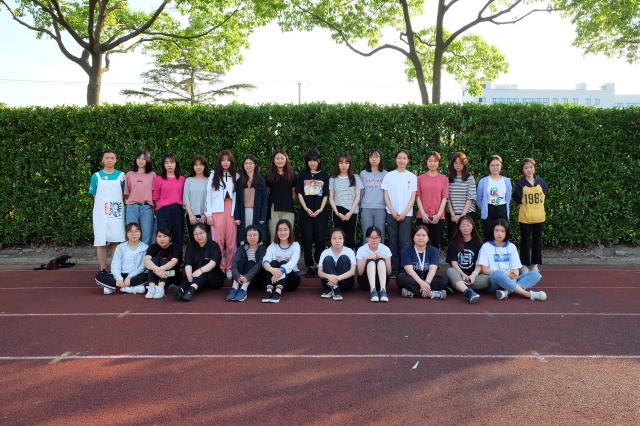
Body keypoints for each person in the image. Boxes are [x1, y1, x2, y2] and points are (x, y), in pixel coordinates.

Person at [478, 219, 546, 301]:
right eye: (497, 230)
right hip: (495, 281)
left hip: (511, 278)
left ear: (506, 232)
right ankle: (528, 294)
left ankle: (506, 292)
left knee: (536, 274)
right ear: (492, 231)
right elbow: (484, 270)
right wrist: (506, 275)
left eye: (502, 231)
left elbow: (515, 270)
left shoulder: (511, 247)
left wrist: (513, 279)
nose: (499, 233)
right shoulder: (486, 246)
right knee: (497, 273)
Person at [381, 149, 417, 276]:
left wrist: (404, 213)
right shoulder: (389, 176)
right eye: (399, 158)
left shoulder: (412, 177)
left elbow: (413, 198)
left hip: (406, 215)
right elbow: (386, 196)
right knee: (392, 241)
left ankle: (404, 269)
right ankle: (394, 269)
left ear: (408, 160)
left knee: (405, 242)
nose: (402, 160)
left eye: (404, 158)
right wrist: (392, 210)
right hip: (391, 214)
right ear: (396, 159)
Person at [89, 150, 126, 272]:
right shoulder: (96, 176)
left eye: (112, 158)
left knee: (116, 241)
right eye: (107, 158)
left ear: (116, 160)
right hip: (101, 212)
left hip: (116, 212)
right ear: (102, 160)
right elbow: (95, 195)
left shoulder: (121, 176)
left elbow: (124, 194)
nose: (110, 160)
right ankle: (103, 269)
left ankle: (115, 269)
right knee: (101, 241)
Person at [168, 223, 224, 302]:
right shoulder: (191, 246)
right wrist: (189, 275)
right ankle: (180, 290)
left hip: (213, 278)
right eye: (196, 234)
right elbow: (188, 263)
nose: (199, 236)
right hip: (196, 277)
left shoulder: (214, 246)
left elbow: (212, 264)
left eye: (201, 233)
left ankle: (191, 289)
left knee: (204, 272)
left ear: (206, 233)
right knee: (188, 273)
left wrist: (200, 270)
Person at [205, 149, 239, 278]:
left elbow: (239, 197)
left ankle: (229, 267)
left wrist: (238, 215)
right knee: (218, 241)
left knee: (231, 242)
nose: (225, 162)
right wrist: (208, 214)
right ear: (219, 162)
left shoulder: (236, 176)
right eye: (223, 160)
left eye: (228, 160)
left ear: (231, 162)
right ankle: (219, 267)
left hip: (231, 211)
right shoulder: (213, 175)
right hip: (217, 211)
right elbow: (208, 195)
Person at [296, 149, 329, 277]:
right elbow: (299, 193)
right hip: (306, 213)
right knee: (307, 238)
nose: (312, 163)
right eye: (310, 160)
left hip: (321, 212)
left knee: (320, 239)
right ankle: (309, 265)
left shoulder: (324, 175)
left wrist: (320, 209)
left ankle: (318, 265)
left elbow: (326, 194)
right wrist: (306, 209)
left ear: (319, 161)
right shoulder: (303, 175)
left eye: (314, 160)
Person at [514, 158, 549, 273]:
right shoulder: (520, 184)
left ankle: (535, 265)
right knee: (525, 242)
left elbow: (545, 194)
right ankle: (524, 264)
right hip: (525, 218)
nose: (529, 170)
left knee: (537, 242)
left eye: (531, 167)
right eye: (526, 168)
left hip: (539, 217)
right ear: (522, 170)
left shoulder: (541, 181)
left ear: (534, 168)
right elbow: (517, 199)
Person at [95, 223, 148, 295]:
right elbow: (115, 265)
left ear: (140, 233)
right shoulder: (120, 247)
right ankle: (129, 289)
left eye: (136, 231)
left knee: (148, 276)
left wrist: (129, 277)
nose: (134, 234)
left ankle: (114, 288)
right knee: (99, 276)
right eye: (130, 231)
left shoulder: (145, 248)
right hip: (121, 275)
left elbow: (142, 268)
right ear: (126, 233)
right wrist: (119, 278)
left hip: (135, 276)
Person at [397, 225, 448, 300]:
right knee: (400, 278)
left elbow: (433, 269)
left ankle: (413, 293)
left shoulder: (434, 250)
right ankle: (431, 294)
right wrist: (421, 283)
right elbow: (409, 270)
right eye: (418, 235)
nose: (420, 238)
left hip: (428, 279)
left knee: (444, 279)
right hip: (413, 278)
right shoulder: (407, 249)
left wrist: (426, 283)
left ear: (428, 238)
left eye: (424, 235)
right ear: (413, 237)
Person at [445, 215, 489, 303]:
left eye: (468, 225)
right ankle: (468, 292)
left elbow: (479, 264)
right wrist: (462, 274)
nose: (466, 228)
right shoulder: (453, 243)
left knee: (488, 280)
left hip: (473, 278)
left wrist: (473, 275)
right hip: (458, 274)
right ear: (459, 228)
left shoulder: (478, 244)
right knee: (450, 271)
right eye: (463, 225)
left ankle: (458, 286)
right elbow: (454, 263)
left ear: (472, 227)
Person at [153, 153, 185, 258]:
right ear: (163, 165)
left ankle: (178, 260)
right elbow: (155, 197)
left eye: (171, 162)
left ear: (176, 164)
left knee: (178, 236)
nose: (169, 165)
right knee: (163, 236)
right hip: (163, 211)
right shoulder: (158, 179)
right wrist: (159, 209)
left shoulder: (182, 179)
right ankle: (163, 259)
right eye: (166, 162)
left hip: (177, 210)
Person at [261, 219, 301, 303]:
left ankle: (278, 291)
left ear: (290, 231)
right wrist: (272, 270)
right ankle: (269, 290)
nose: (282, 232)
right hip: (274, 281)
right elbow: (265, 260)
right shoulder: (273, 245)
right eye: (280, 230)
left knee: (283, 262)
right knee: (273, 262)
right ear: (277, 232)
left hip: (291, 282)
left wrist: (280, 271)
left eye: (285, 229)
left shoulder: (295, 245)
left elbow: (293, 263)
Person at [329, 153, 362, 249]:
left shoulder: (355, 177)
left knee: (350, 237)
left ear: (350, 164)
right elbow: (331, 198)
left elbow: (358, 196)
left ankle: (350, 256)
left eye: (346, 163)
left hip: (352, 211)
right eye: (341, 162)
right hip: (338, 211)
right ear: (337, 164)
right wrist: (337, 213)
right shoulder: (333, 179)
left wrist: (350, 213)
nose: (344, 165)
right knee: (338, 237)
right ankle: (338, 256)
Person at [416, 151, 449, 250]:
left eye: (435, 161)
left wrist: (438, 214)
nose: (432, 163)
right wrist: (423, 214)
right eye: (430, 161)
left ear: (439, 163)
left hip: (438, 217)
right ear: (426, 162)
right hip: (422, 216)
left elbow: (444, 197)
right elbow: (417, 197)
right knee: (421, 243)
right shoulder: (419, 178)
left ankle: (434, 260)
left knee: (435, 244)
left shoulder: (444, 179)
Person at [234, 154, 268, 245]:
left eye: (250, 163)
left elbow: (265, 199)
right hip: (243, 212)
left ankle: (257, 253)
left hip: (257, 212)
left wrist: (263, 216)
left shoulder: (261, 180)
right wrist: (236, 216)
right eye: (246, 163)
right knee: (244, 236)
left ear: (255, 165)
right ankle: (244, 252)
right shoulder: (240, 180)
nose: (248, 165)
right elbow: (236, 200)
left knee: (256, 235)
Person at [124, 149, 155, 246]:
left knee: (147, 236)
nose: (141, 161)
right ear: (135, 159)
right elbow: (126, 193)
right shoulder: (129, 174)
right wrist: (129, 203)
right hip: (132, 208)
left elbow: (155, 194)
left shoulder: (152, 175)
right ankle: (132, 254)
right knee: (132, 234)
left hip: (147, 208)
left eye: (144, 159)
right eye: (139, 158)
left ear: (147, 161)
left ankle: (146, 255)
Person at [476, 155, 512, 240]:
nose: (495, 167)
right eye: (492, 165)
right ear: (488, 166)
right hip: (488, 212)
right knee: (489, 237)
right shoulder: (483, 181)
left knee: (502, 238)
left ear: (501, 166)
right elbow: (478, 199)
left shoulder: (507, 181)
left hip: (503, 211)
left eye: (497, 165)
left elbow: (508, 198)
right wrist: (484, 208)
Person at [228, 225, 267, 302]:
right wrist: (237, 276)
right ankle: (234, 288)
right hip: (239, 279)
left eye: (254, 235)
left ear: (259, 236)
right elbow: (234, 263)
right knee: (241, 261)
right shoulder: (241, 248)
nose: (252, 237)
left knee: (251, 262)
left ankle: (243, 289)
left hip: (255, 279)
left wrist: (247, 277)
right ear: (246, 236)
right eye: (249, 235)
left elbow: (259, 265)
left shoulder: (263, 249)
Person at [318, 228, 356, 301]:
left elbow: (352, 271)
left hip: (344, 283)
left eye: (340, 238)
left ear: (343, 240)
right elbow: (319, 272)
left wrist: (337, 278)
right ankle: (334, 288)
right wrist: (329, 276)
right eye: (334, 238)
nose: (337, 240)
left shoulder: (349, 251)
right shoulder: (325, 252)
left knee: (344, 258)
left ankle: (334, 288)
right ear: (330, 240)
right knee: (328, 258)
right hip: (328, 283)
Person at [356, 226, 392, 302]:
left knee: (381, 261)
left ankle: (383, 290)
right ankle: (373, 290)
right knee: (371, 262)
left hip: (381, 282)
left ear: (380, 239)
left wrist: (384, 258)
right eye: (371, 238)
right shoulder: (361, 249)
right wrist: (366, 259)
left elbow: (389, 272)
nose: (374, 240)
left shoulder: (385, 249)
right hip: (366, 282)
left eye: (376, 237)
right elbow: (359, 272)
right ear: (367, 238)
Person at [359, 149, 388, 243]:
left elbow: (387, 193)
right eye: (371, 157)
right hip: (366, 207)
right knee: (366, 233)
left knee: (380, 233)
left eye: (376, 157)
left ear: (380, 158)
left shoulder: (386, 174)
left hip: (381, 208)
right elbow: (361, 192)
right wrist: (358, 207)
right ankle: (365, 252)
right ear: (368, 159)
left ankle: (381, 252)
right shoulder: (363, 173)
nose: (374, 159)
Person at [267, 151, 296, 241]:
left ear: (286, 160)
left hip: (288, 208)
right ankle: (274, 250)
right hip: (273, 208)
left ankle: (288, 249)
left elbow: (294, 192)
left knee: (288, 233)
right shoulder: (269, 175)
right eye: (277, 158)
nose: (279, 160)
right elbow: (267, 192)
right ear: (274, 160)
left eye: (282, 158)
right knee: (274, 232)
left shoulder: (292, 175)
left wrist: (290, 201)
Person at [446, 152, 476, 240]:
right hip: (452, 215)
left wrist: (463, 216)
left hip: (467, 214)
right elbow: (447, 198)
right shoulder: (448, 179)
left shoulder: (470, 178)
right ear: (452, 164)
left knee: (467, 239)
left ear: (464, 164)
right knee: (453, 239)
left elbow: (470, 198)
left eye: (461, 163)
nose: (458, 165)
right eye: (456, 163)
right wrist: (452, 215)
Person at [144, 228, 180, 299]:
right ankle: (152, 287)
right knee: (154, 260)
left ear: (170, 238)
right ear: (156, 237)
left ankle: (161, 287)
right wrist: (156, 269)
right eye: (159, 236)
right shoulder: (153, 247)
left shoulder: (175, 247)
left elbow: (174, 262)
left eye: (165, 236)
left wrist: (159, 270)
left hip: (172, 274)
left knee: (164, 260)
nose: (162, 239)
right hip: (157, 274)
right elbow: (146, 261)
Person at [183, 155, 210, 242]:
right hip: (192, 216)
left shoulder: (209, 181)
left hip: (205, 216)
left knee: (204, 240)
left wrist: (205, 214)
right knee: (193, 240)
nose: (198, 167)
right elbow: (186, 198)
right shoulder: (189, 180)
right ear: (193, 167)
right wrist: (191, 215)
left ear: (204, 166)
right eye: (196, 165)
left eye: (201, 165)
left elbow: (210, 199)